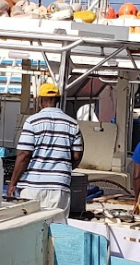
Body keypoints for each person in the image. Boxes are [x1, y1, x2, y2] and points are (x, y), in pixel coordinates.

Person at [7, 82, 84, 219]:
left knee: (31, 226)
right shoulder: (72, 124)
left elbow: (24, 155)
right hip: (59, 187)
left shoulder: (32, 122)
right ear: (58, 100)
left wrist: (12, 183)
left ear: (40, 100)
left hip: (32, 187)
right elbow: (77, 156)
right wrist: (63, 170)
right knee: (57, 226)